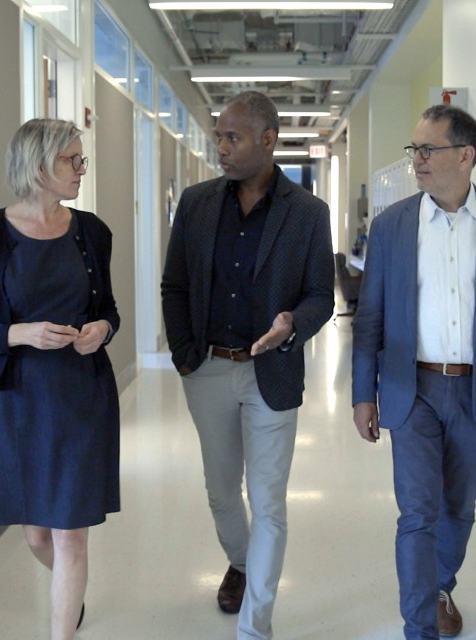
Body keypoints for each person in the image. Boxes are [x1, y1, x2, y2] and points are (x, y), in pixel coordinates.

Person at [351, 104, 476, 639]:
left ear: (466, 155)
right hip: (411, 388)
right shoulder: (393, 226)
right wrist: (362, 393)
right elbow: (371, 317)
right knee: (417, 513)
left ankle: (439, 586)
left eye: (428, 149)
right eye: (414, 150)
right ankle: (420, 628)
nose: (417, 160)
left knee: (459, 507)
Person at [161, 91, 334, 640]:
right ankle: (240, 560)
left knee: (269, 503)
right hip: (208, 368)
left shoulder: (307, 213)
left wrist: (292, 324)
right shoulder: (196, 202)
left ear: (267, 139)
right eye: (218, 136)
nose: (221, 148)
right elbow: (176, 284)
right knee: (220, 491)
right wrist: (185, 356)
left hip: (272, 372)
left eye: (232, 137)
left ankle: (255, 626)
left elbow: (321, 296)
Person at [0, 119, 120, 640]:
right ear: (39, 163)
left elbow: (109, 310)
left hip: (82, 394)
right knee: (36, 536)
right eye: (73, 160)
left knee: (72, 538)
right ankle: (69, 598)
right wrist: (19, 333)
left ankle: (61, 627)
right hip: (19, 400)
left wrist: (103, 329)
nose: (81, 170)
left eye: (81, 159)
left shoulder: (92, 231)